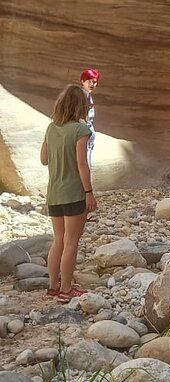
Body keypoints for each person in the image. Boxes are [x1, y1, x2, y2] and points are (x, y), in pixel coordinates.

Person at [41, 85, 97, 303]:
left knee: (59, 241)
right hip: (74, 193)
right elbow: (82, 165)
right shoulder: (81, 131)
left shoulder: (50, 128)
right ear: (80, 106)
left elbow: (44, 159)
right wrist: (89, 193)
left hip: (54, 192)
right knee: (72, 242)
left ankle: (52, 287)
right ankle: (66, 291)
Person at [79, 68, 100, 166]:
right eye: (89, 81)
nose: (92, 84)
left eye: (94, 82)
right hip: (84, 133)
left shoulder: (87, 95)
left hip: (88, 132)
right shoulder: (82, 96)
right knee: (84, 163)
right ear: (82, 81)